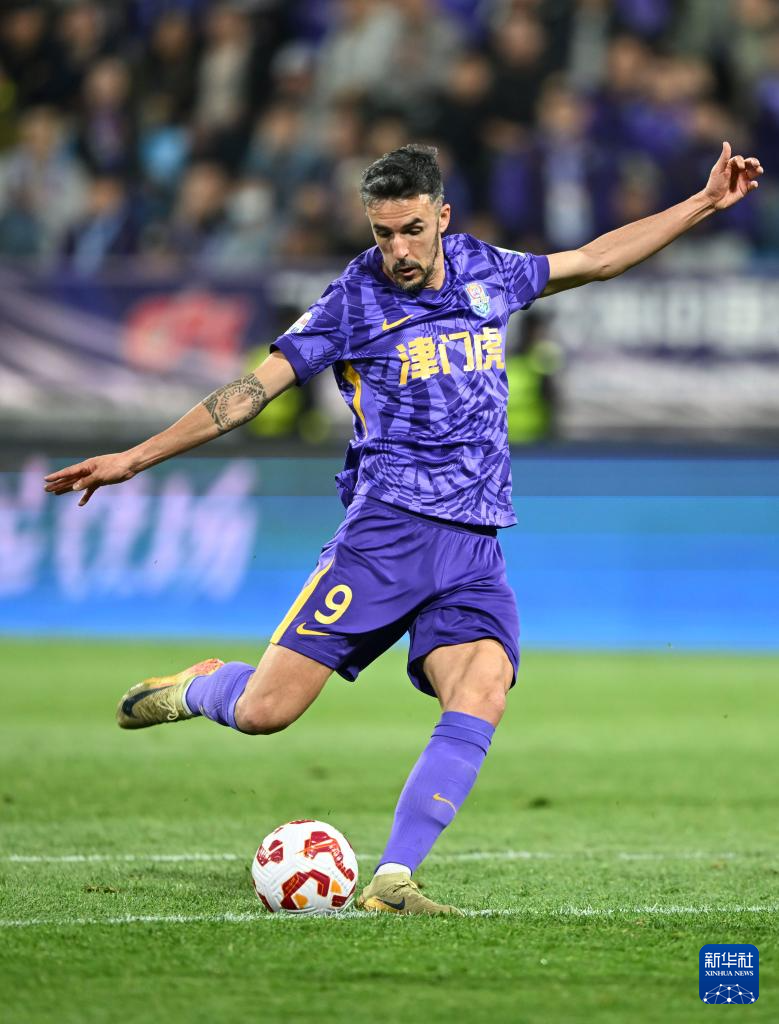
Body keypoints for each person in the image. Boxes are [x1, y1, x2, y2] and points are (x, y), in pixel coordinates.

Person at [44, 142, 763, 915]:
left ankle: (392, 879)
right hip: (386, 536)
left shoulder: (485, 269)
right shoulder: (351, 301)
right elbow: (252, 391)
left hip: (474, 543)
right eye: (382, 233)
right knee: (264, 713)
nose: (398, 250)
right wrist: (136, 457)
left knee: (482, 688)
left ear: (441, 218)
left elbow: (593, 259)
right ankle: (199, 686)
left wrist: (701, 202)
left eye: (411, 230)